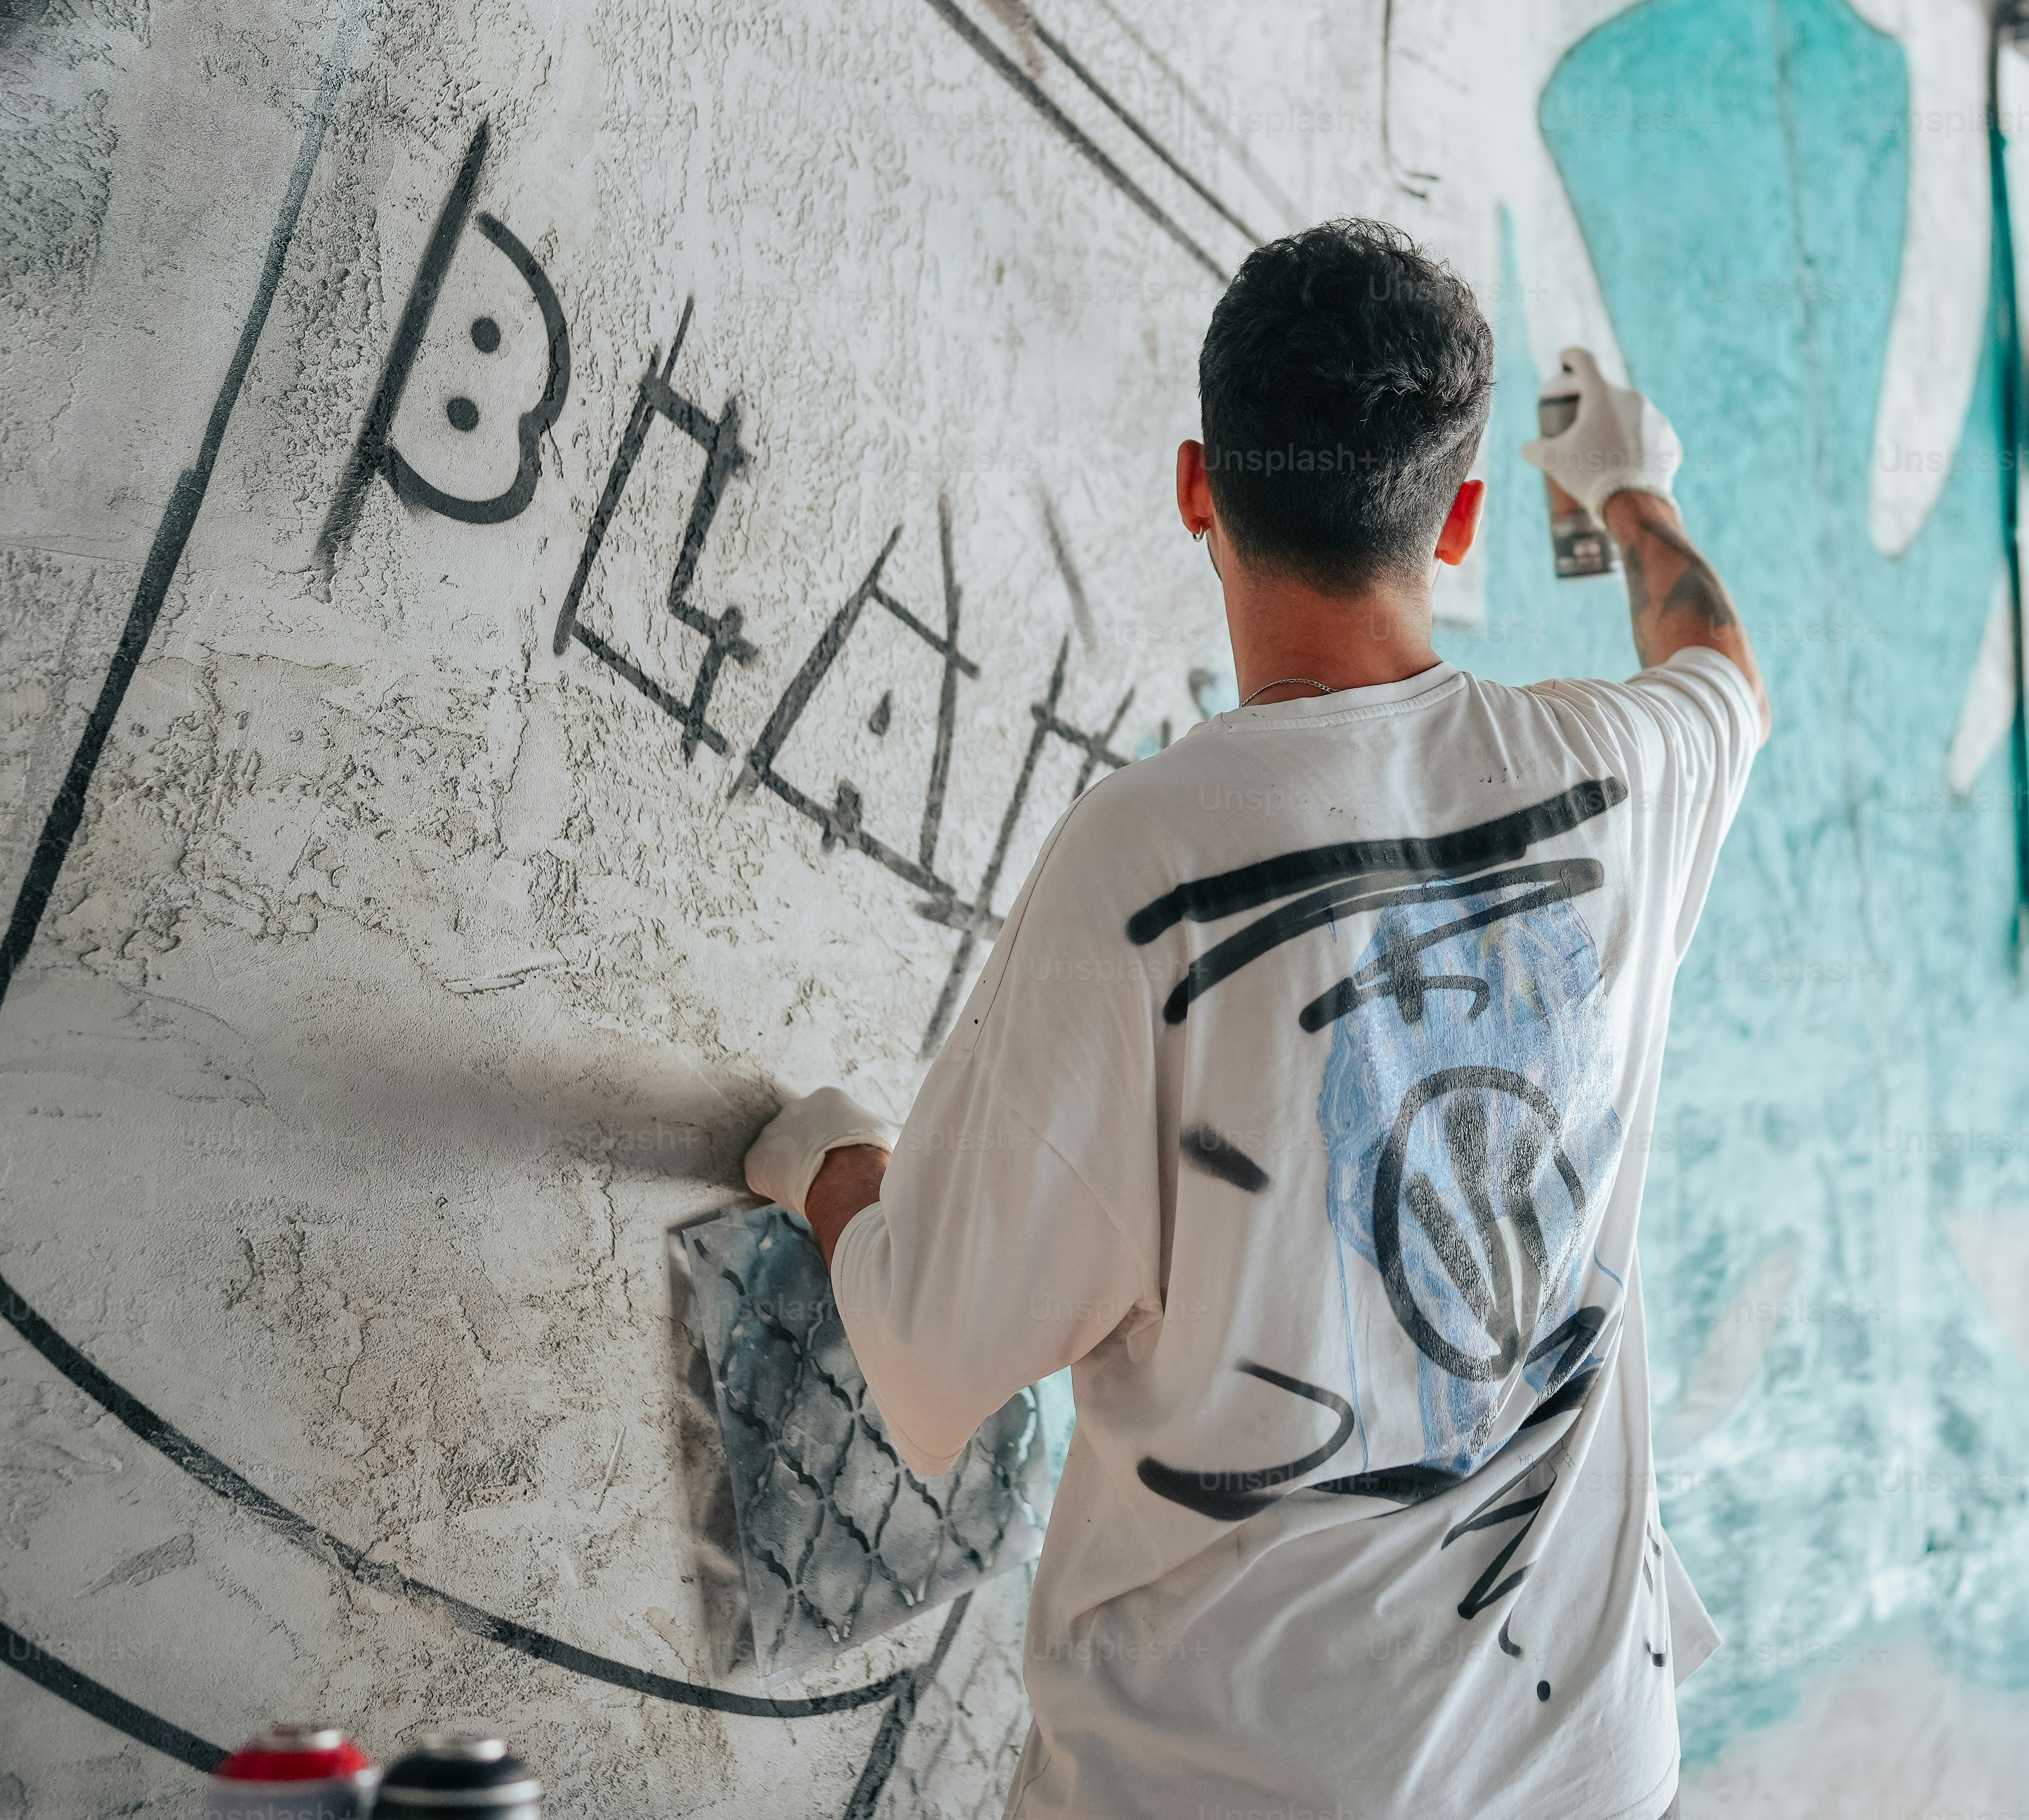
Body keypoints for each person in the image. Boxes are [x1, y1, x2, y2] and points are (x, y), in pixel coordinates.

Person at [741, 218, 1769, 1820]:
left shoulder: (1144, 860)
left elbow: (935, 1343)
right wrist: (1629, 489)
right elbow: (1721, 670)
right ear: (1460, 520)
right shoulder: (1619, 775)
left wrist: (827, 1167)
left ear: (1196, 489)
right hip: (1585, 1772)